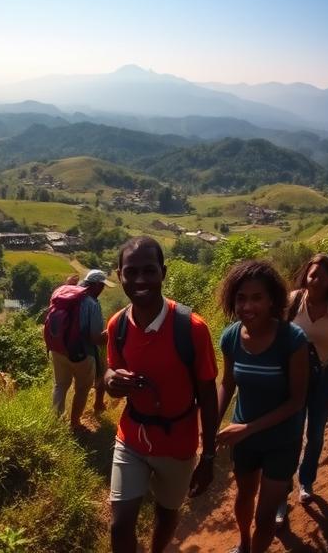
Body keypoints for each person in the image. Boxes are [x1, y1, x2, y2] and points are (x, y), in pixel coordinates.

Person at [104, 237, 219, 553]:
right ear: (119, 275)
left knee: (166, 513)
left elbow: (208, 395)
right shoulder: (117, 326)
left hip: (178, 444)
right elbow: (112, 371)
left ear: (163, 272)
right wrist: (111, 379)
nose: (140, 280)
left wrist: (208, 456)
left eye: (149, 271)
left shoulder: (191, 328)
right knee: (120, 525)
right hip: (131, 437)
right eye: (131, 272)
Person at [217, 260, 308, 553]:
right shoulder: (231, 337)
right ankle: (244, 543)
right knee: (244, 496)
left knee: (266, 513)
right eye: (241, 298)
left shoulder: (292, 340)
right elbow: (227, 384)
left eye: (257, 298)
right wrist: (211, 429)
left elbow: (297, 401)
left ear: (272, 300)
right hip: (244, 438)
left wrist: (249, 428)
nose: (247, 306)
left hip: (282, 439)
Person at [282, 255, 328, 517]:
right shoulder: (292, 301)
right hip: (294, 380)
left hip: (325, 375)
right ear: (306, 276)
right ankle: (282, 492)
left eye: (324, 275)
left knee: (316, 434)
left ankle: (306, 481)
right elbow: (280, 339)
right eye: (313, 274)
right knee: (291, 435)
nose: (317, 279)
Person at [48, 268, 108, 431]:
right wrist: (112, 333)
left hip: (58, 348)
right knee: (82, 388)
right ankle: (75, 423)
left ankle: (56, 422)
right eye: (102, 286)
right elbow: (95, 338)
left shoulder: (67, 295)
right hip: (81, 352)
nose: (102, 289)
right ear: (96, 285)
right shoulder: (91, 303)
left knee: (60, 385)